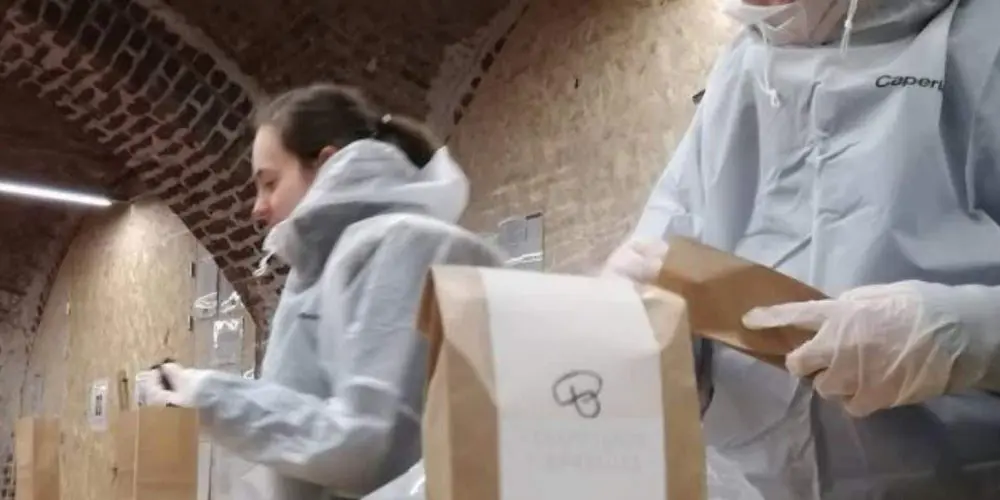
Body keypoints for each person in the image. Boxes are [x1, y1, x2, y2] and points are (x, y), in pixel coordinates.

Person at [605, 0, 1000, 499]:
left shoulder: (981, 39)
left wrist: (965, 336)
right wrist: (643, 324)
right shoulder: (741, 68)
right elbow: (669, 244)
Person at [139, 83, 504, 500]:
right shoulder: (318, 273)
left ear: (328, 165)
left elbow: (371, 447)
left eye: (270, 183)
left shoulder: (406, 245)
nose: (257, 206)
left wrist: (209, 396)